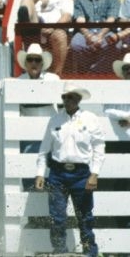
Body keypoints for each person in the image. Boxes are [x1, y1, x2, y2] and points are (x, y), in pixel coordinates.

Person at [35, 83, 105, 257]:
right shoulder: (55, 120)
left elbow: (99, 146)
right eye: (65, 97)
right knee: (57, 217)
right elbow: (44, 149)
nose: (68, 100)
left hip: (82, 174)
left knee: (85, 217)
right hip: (57, 174)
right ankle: (60, 252)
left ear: (79, 99)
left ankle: (90, 252)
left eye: (71, 97)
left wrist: (94, 173)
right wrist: (40, 173)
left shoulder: (90, 119)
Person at [17, 0, 73, 76]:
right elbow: (23, 9)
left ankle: (57, 73)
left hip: (54, 30)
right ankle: (31, 72)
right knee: (26, 1)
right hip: (35, 31)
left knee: (60, 35)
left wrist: (52, 28)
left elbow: (66, 16)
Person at [70, 0, 120, 73]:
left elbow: (112, 18)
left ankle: (95, 72)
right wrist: (89, 36)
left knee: (115, 44)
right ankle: (85, 71)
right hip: (86, 31)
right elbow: (80, 19)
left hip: (106, 31)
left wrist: (100, 35)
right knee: (75, 44)